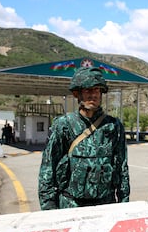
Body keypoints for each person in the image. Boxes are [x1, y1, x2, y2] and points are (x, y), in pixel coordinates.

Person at [38, 67, 130, 209]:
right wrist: (49, 207)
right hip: (71, 205)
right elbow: (48, 168)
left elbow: (121, 167)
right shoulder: (64, 125)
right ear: (77, 93)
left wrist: (124, 202)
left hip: (105, 205)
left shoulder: (113, 126)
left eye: (97, 90)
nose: (93, 95)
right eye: (88, 90)